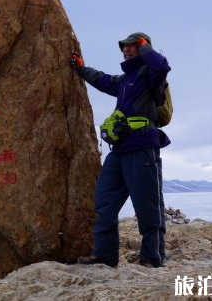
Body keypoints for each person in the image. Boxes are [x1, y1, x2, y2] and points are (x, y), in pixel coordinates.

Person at [70, 32, 171, 268]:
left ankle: (151, 258)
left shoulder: (151, 76)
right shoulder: (125, 81)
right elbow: (102, 79)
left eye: (132, 46)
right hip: (119, 151)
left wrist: (145, 47)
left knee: (148, 208)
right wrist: (81, 69)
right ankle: (105, 256)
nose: (126, 50)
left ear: (143, 47)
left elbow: (162, 64)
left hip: (143, 149)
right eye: (124, 47)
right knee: (104, 203)